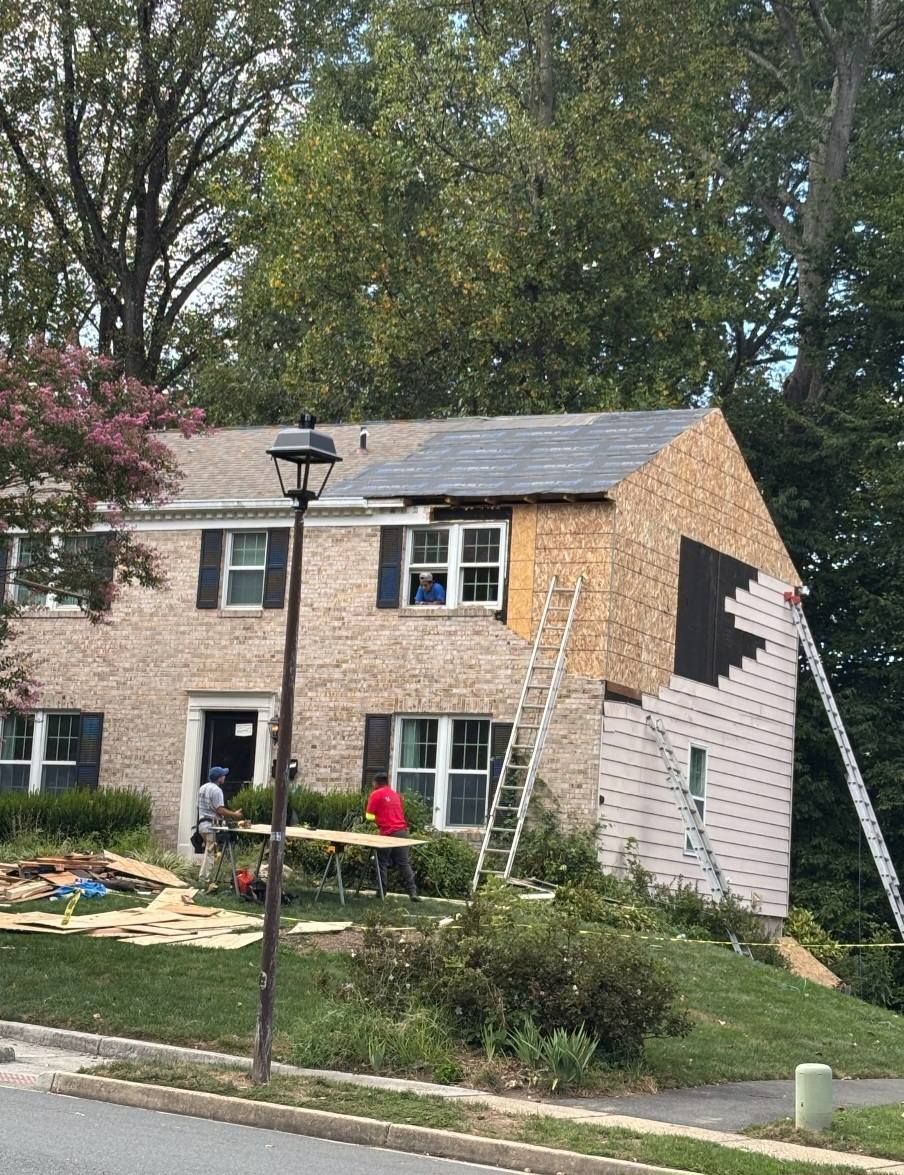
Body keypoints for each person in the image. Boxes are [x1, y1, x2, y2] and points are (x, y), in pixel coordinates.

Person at [365, 772, 420, 901]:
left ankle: (381, 892)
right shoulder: (395, 794)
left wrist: (377, 819)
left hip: (387, 833)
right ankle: (413, 892)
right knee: (404, 863)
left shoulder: (375, 794)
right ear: (387, 782)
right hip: (402, 832)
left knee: (381, 862)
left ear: (376, 783)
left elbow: (369, 816)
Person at [197, 766, 243, 882]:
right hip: (211, 826)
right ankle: (204, 880)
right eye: (223, 775)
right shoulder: (217, 790)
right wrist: (235, 815)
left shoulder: (203, 787)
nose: (224, 777)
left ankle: (205, 877)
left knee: (209, 851)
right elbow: (220, 810)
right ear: (219, 778)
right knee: (210, 854)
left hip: (202, 825)